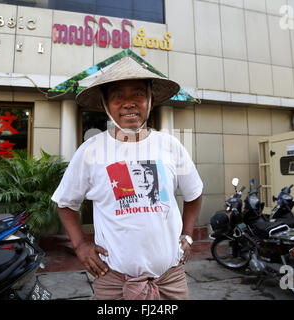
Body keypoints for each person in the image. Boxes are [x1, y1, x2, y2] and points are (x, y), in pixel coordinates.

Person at [51, 56, 203, 300]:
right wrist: (80, 245)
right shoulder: (91, 151)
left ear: (150, 101)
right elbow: (66, 203)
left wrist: (187, 235)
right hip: (113, 282)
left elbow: (194, 194)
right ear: (105, 104)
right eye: (117, 96)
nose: (129, 104)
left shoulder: (170, 146)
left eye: (138, 95)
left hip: (170, 280)